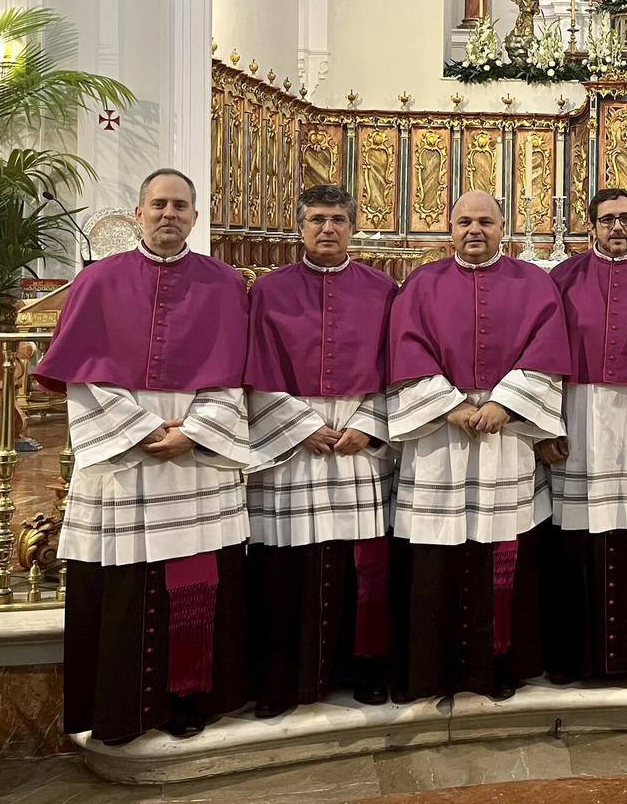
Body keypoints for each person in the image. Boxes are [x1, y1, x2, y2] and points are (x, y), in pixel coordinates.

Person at [42, 169, 251, 743]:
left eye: (180, 206)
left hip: (196, 458)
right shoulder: (98, 282)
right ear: (139, 213)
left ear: (195, 216)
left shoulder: (225, 284)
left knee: (195, 579)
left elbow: (234, 377)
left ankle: (189, 700)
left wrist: (197, 431)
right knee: (125, 583)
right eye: (158, 204)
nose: (169, 215)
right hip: (122, 456)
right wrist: (139, 431)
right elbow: (85, 376)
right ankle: (120, 706)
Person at [385, 190, 569, 702]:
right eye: (464, 221)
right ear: (448, 228)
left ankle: (497, 667)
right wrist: (450, 405)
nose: (474, 230)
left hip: (503, 437)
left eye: (485, 221)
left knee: (500, 552)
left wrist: (506, 404)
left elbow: (547, 350)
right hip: (440, 437)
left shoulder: (534, 283)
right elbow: (405, 349)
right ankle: (432, 669)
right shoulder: (422, 283)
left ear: (502, 226)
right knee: (435, 555)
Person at [244, 185, 397, 716]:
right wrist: (298, 426)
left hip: (358, 442)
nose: (327, 229)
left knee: (362, 566)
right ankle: (284, 681)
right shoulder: (267, 291)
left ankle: (365, 674)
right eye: (316, 220)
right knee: (286, 567)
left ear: (352, 227)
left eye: (337, 219)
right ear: (300, 226)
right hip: (292, 446)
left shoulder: (384, 289)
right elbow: (253, 369)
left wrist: (371, 428)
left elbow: (402, 368)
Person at [540, 187, 627, 686]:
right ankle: (577, 656)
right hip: (579, 423)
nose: (618, 228)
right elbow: (540, 358)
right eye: (608, 219)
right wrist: (547, 426)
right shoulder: (561, 278)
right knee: (576, 540)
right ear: (590, 226)